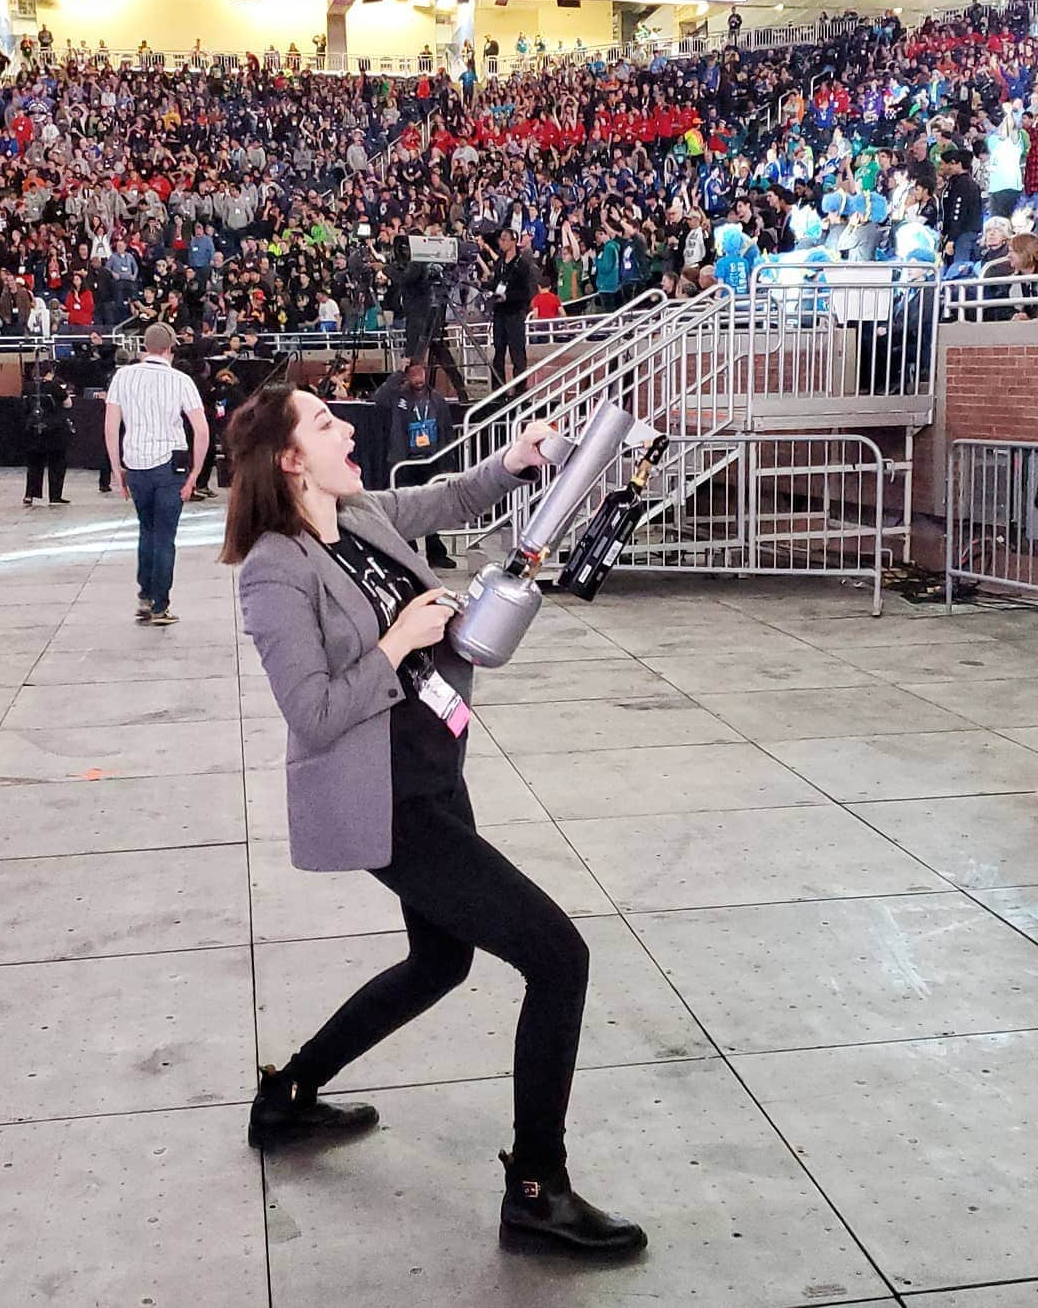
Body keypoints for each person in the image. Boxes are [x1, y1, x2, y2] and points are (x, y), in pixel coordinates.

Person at [221, 382, 647, 1260]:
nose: (349, 429)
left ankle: (290, 1094)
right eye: (327, 423)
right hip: (385, 800)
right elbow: (310, 710)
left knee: (441, 961)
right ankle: (536, 1188)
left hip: (433, 774)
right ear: (290, 460)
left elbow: (445, 499)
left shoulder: (363, 514)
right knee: (559, 957)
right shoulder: (274, 567)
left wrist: (516, 461)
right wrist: (398, 642)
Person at [103, 323, 209, 625]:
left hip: (135, 462)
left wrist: (116, 468)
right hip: (170, 464)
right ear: (170, 348)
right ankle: (160, 605)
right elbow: (201, 431)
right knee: (165, 536)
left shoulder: (122, 376)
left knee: (146, 529)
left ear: (145, 347)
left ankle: (145, 596)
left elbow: (111, 427)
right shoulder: (181, 381)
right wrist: (195, 476)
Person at [375, 358, 457, 569]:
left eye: (420, 374)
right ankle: (408, 550)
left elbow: (447, 432)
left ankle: (436, 552)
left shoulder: (437, 399)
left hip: (431, 459)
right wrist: (398, 373)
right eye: (413, 374)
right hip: (405, 460)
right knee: (406, 508)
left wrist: (448, 461)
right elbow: (379, 398)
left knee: (432, 507)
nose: (418, 378)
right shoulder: (398, 397)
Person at [480, 228, 531, 390]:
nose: (501, 243)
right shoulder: (500, 263)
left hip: (514, 314)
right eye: (500, 240)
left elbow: (525, 292)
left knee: (517, 355)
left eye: (504, 239)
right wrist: (483, 286)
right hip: (499, 314)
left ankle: (520, 391)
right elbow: (496, 284)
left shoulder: (522, 264)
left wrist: (507, 297)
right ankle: (498, 391)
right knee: (498, 353)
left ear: (513, 241)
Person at [22, 362, 73, 507]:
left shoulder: (28, 387)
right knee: (57, 462)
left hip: (33, 429)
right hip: (54, 430)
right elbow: (68, 404)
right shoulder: (54, 386)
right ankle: (55, 496)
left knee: (34, 464)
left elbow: (24, 407)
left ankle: (30, 494)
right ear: (49, 372)